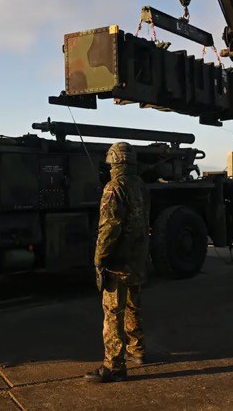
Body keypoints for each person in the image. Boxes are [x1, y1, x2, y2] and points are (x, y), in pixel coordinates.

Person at [85, 142, 151, 383]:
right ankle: (138, 350)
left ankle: (113, 366)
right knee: (134, 304)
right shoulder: (141, 185)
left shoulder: (113, 188)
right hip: (137, 257)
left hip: (119, 261)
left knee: (113, 311)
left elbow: (109, 228)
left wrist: (98, 259)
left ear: (113, 161)